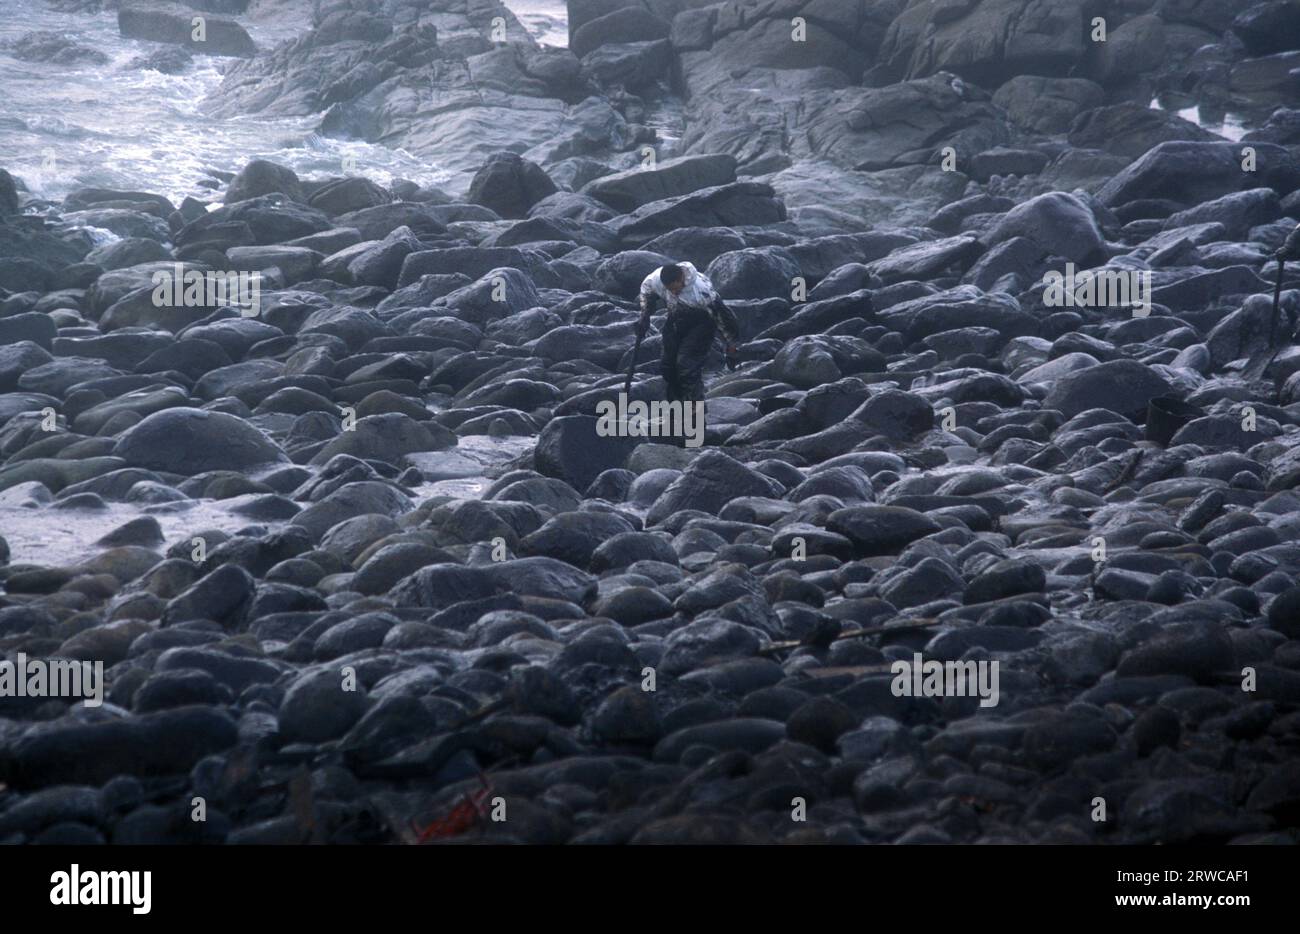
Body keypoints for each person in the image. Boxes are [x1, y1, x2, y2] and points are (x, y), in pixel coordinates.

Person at [636, 262, 740, 402]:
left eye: (675, 289)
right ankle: (676, 404)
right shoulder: (655, 280)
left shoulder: (702, 291)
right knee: (668, 366)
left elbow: (724, 317)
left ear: (681, 279)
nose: (673, 293)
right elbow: (646, 292)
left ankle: (694, 406)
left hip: (702, 323)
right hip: (676, 319)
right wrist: (645, 316)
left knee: (686, 365)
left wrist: (732, 345)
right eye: (669, 290)